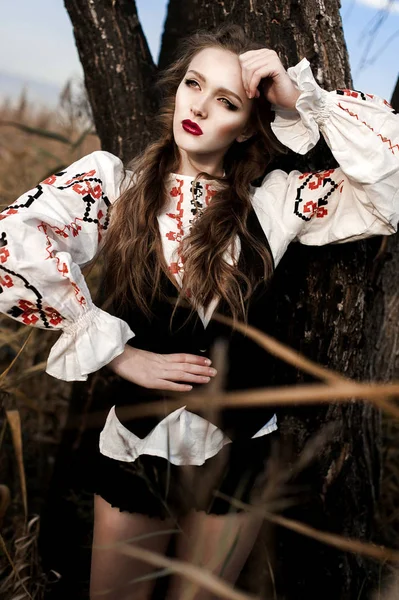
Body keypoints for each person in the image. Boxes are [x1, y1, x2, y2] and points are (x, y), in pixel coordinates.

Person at [0, 23, 398, 600]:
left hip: (240, 450)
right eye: (193, 84)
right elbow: (12, 239)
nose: (200, 106)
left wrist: (300, 99)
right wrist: (116, 352)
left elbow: (389, 187)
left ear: (246, 128)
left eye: (227, 101)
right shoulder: (118, 187)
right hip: (136, 441)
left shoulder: (278, 201)